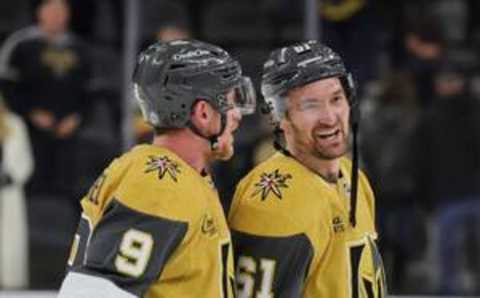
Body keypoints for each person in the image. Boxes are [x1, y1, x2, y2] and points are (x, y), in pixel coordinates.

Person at [58, 39, 256, 297]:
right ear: (203, 113)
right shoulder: (161, 183)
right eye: (230, 102)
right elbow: (94, 292)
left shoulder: (173, 174)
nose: (238, 114)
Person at [228, 40, 387, 297]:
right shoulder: (273, 199)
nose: (330, 117)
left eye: (336, 99)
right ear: (279, 116)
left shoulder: (354, 177)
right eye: (310, 105)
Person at [0, 0, 92, 202]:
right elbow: (6, 87)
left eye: (61, 10)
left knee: (67, 188)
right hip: (28, 129)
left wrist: (77, 117)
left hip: (69, 129)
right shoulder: (21, 45)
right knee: (31, 186)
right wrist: (30, 113)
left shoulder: (80, 48)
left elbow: (90, 91)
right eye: (51, 9)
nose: (56, 15)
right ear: (40, 12)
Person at [0, 94, 34, 289]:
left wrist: (11, 176)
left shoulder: (15, 125)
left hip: (8, 191)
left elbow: (25, 160)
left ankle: (11, 285)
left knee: (9, 239)